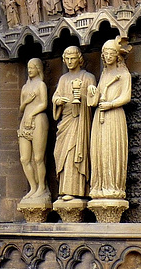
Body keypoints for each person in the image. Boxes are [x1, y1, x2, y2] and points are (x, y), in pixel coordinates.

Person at [88, 37, 132, 199]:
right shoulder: (105, 74)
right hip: (100, 116)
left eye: (111, 53)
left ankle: (112, 186)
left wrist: (111, 104)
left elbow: (126, 97)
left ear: (117, 55)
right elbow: (97, 96)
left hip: (114, 115)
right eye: (105, 53)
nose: (107, 56)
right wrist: (92, 91)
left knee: (111, 149)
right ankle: (99, 186)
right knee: (99, 150)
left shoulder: (123, 74)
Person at [52, 46, 96, 201]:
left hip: (80, 122)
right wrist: (57, 101)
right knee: (62, 154)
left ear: (79, 59)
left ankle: (78, 190)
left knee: (75, 153)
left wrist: (84, 96)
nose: (70, 62)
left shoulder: (88, 77)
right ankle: (64, 189)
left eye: (73, 58)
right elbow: (56, 97)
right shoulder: (63, 79)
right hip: (66, 121)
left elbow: (93, 100)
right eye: (67, 59)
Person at [18, 58, 50, 201]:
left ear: (38, 68)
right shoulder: (25, 88)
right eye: (28, 67)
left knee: (38, 158)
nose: (29, 70)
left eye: (32, 67)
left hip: (38, 120)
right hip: (25, 121)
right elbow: (21, 108)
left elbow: (44, 103)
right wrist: (27, 101)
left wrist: (31, 114)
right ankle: (33, 187)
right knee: (25, 159)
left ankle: (42, 187)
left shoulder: (41, 85)